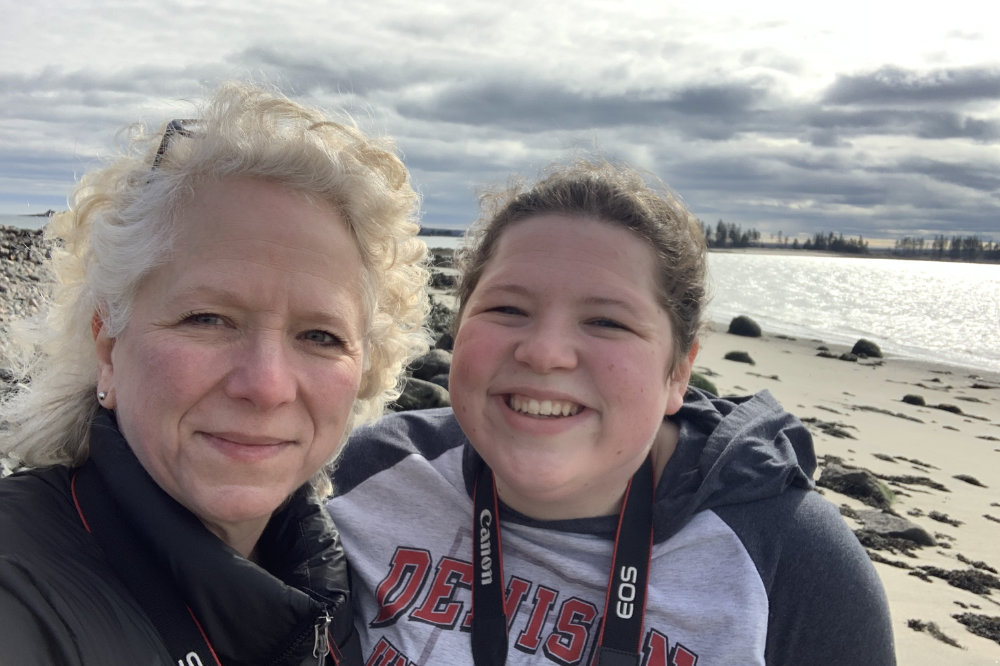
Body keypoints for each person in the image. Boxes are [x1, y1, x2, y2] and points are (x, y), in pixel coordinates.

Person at [326, 159, 896, 665]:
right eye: (506, 308)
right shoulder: (362, 476)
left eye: (606, 321)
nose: (545, 352)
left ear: (678, 372)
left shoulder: (790, 560)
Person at [0, 82, 429, 665]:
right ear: (108, 346)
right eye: (208, 319)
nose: (267, 385)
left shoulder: (340, 578)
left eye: (320, 336)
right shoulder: (19, 591)